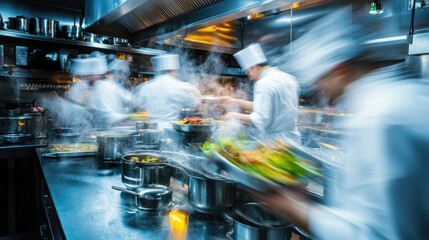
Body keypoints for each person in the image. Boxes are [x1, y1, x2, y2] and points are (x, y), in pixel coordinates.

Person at [250, 7, 429, 239]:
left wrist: (291, 207)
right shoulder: (406, 95)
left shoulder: (377, 119)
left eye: (319, 80)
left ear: (338, 71)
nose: (317, 89)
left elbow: (378, 234)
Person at [222, 43, 301, 143]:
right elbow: (270, 107)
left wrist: (233, 115)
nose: (249, 78)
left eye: (248, 73)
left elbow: (261, 120)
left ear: (253, 67)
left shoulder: (263, 83)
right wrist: (234, 101)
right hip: (293, 140)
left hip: (276, 143)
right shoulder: (289, 78)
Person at [133, 53, 201, 129]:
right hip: (172, 129)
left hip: (152, 129)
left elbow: (138, 108)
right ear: (174, 70)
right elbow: (195, 104)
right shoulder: (183, 87)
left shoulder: (145, 87)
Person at [68, 53, 129, 127]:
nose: (99, 77)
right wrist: (128, 117)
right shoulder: (78, 87)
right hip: (83, 127)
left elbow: (125, 97)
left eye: (101, 75)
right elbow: (107, 116)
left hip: (99, 128)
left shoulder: (105, 85)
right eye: (97, 75)